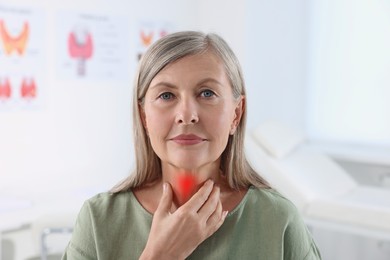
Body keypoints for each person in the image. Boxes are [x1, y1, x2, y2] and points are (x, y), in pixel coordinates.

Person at [62, 31, 322, 260]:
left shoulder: (278, 220)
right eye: (166, 95)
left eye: (207, 93)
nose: (187, 115)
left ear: (236, 114)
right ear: (144, 117)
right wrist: (161, 255)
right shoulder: (98, 221)